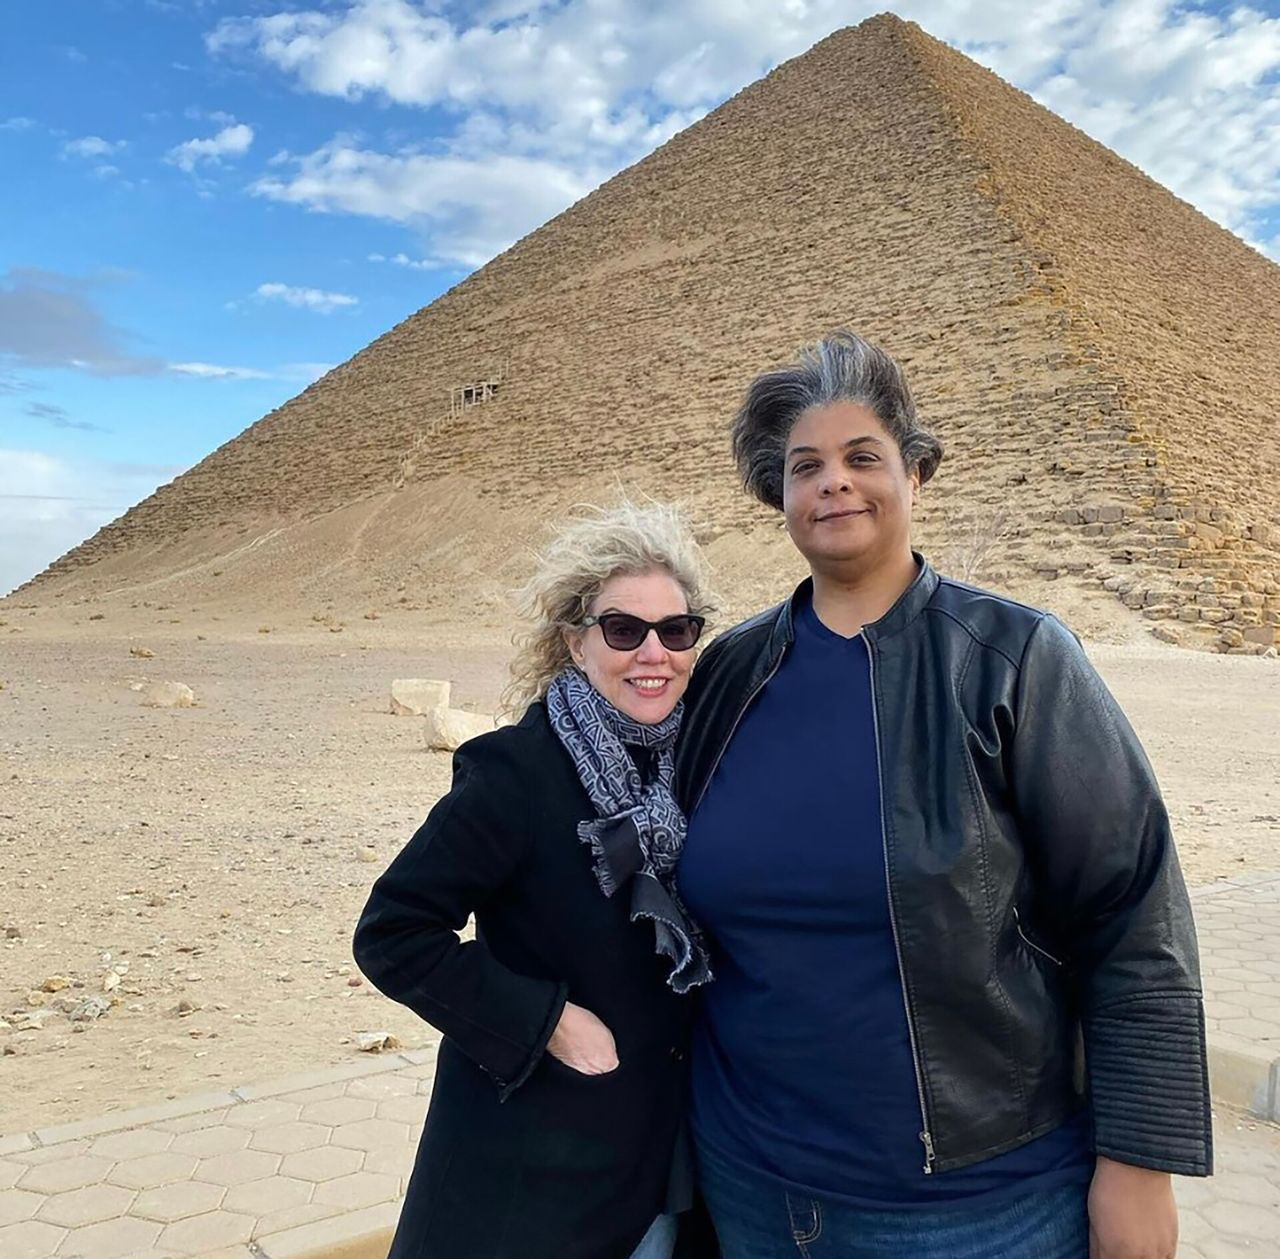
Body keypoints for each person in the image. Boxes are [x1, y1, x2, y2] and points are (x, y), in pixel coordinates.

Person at [674, 331, 1211, 1259]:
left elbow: (1132, 914)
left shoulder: (1016, 661)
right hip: (751, 1184)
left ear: (915, 475)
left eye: (862, 457)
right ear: (782, 497)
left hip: (976, 1208)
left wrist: (1139, 1163)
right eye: (806, 466)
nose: (834, 482)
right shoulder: (727, 672)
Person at [353, 501, 716, 1259]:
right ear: (575, 640)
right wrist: (548, 1020)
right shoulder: (515, 772)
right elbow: (393, 933)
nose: (653, 652)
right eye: (624, 630)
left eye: (675, 630)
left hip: (662, 1170)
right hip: (530, 1180)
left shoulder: (700, 766)